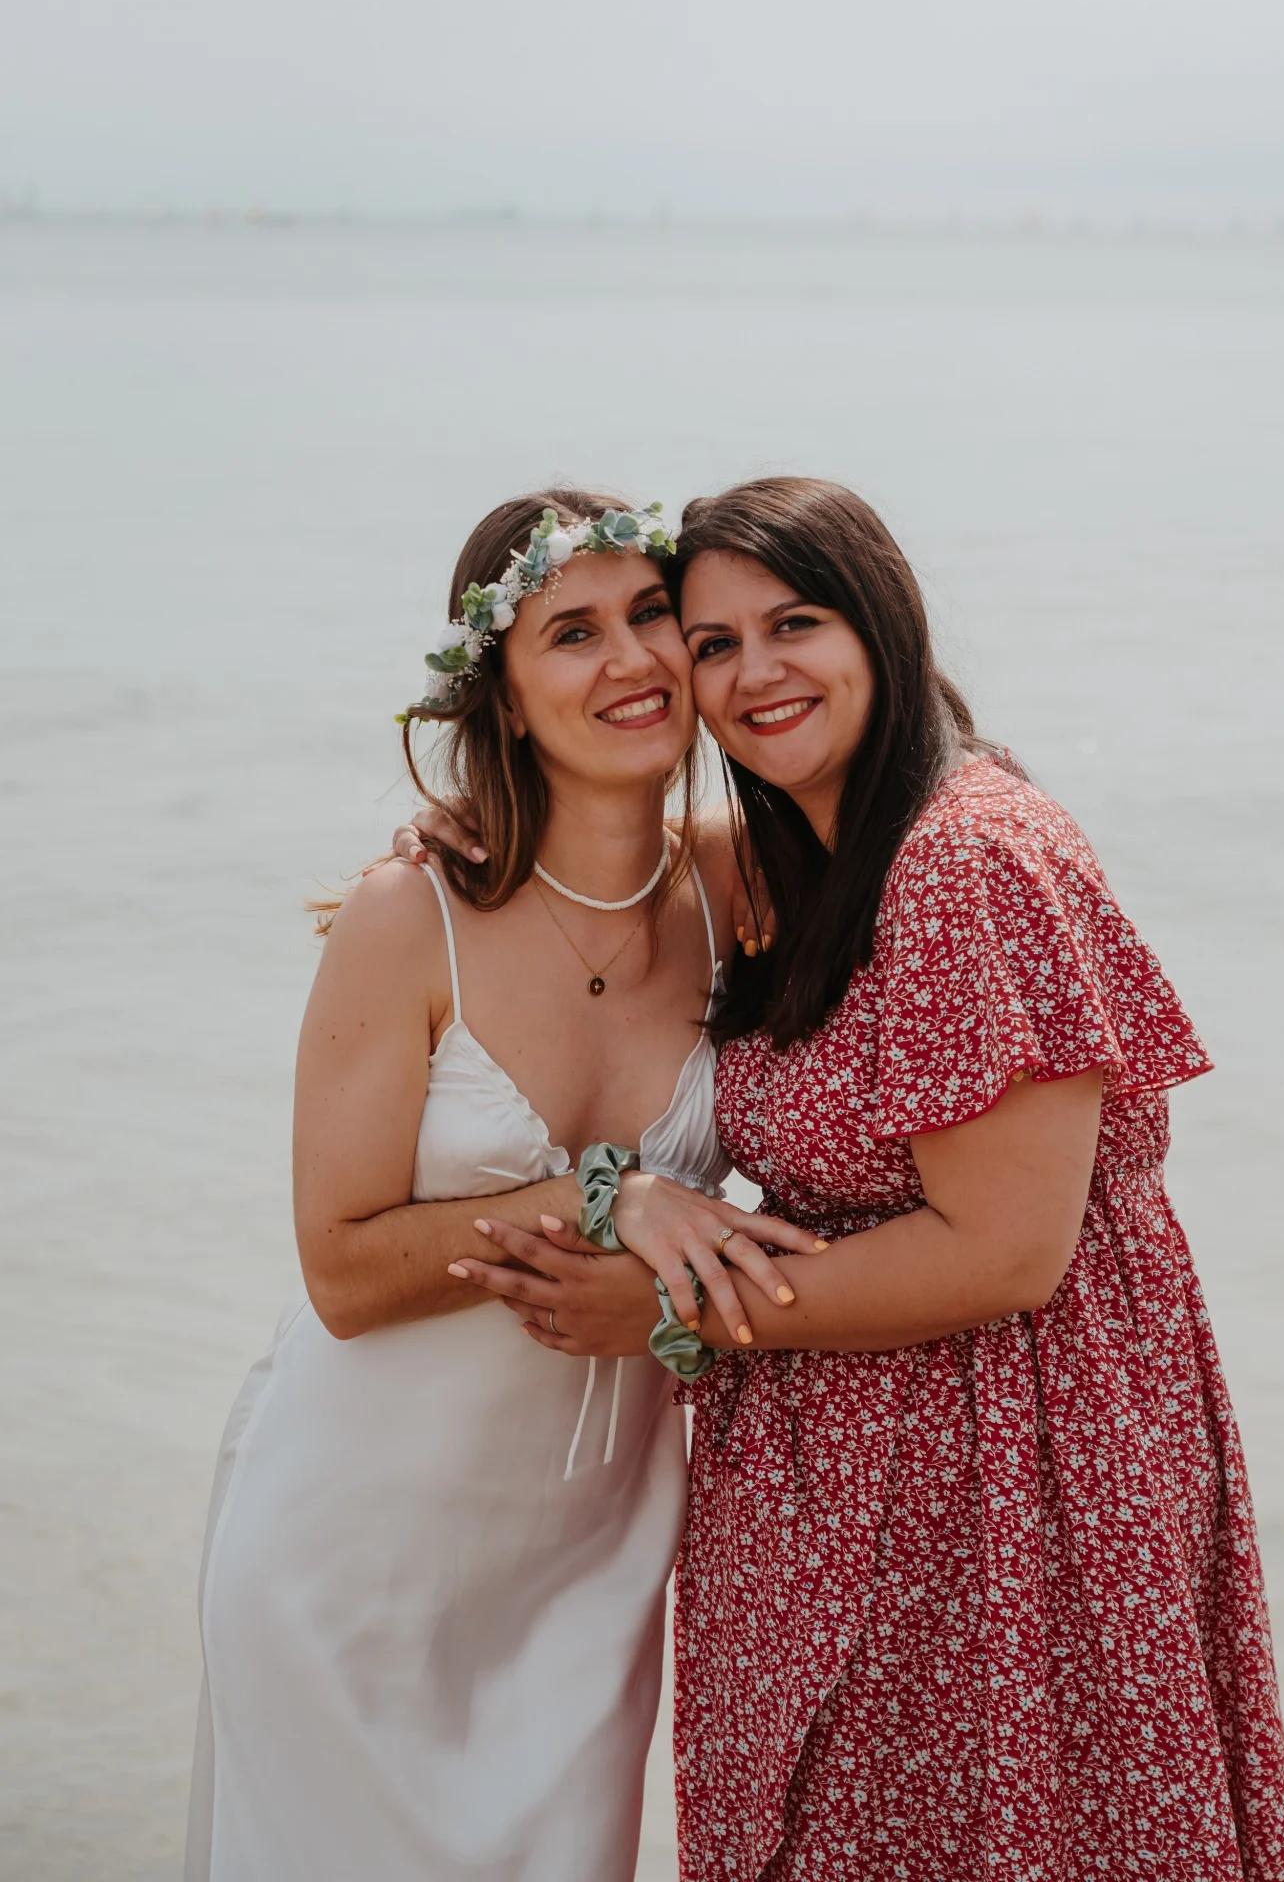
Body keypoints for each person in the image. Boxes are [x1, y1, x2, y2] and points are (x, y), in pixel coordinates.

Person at [451, 479, 1284, 1882]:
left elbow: (1004, 1257)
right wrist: (459, 851)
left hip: (1013, 1489)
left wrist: (667, 1316)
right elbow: (602, 886)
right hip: (860, 1486)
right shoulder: (797, 854)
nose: (752, 673)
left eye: (794, 624)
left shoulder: (967, 860)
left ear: (881, 627)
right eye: (712, 643)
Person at [184, 487, 820, 1882]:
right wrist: (613, 1195)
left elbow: (921, 808)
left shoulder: (742, 888)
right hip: (349, 1557)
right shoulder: (409, 914)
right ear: (509, 700)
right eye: (572, 633)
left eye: (653, 615)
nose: (633, 660)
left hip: (588, 1568)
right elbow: (343, 1275)